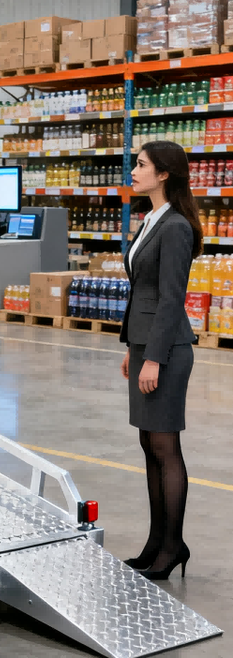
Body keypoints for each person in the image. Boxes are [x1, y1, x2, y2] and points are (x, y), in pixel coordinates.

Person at [119, 140, 201, 580]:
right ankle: (156, 542)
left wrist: (153, 357)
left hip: (167, 351)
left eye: (141, 165)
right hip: (145, 346)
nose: (134, 171)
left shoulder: (175, 227)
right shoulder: (151, 219)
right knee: (149, 446)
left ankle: (173, 547)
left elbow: (171, 299)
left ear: (164, 173)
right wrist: (132, 348)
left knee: (166, 448)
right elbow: (142, 293)